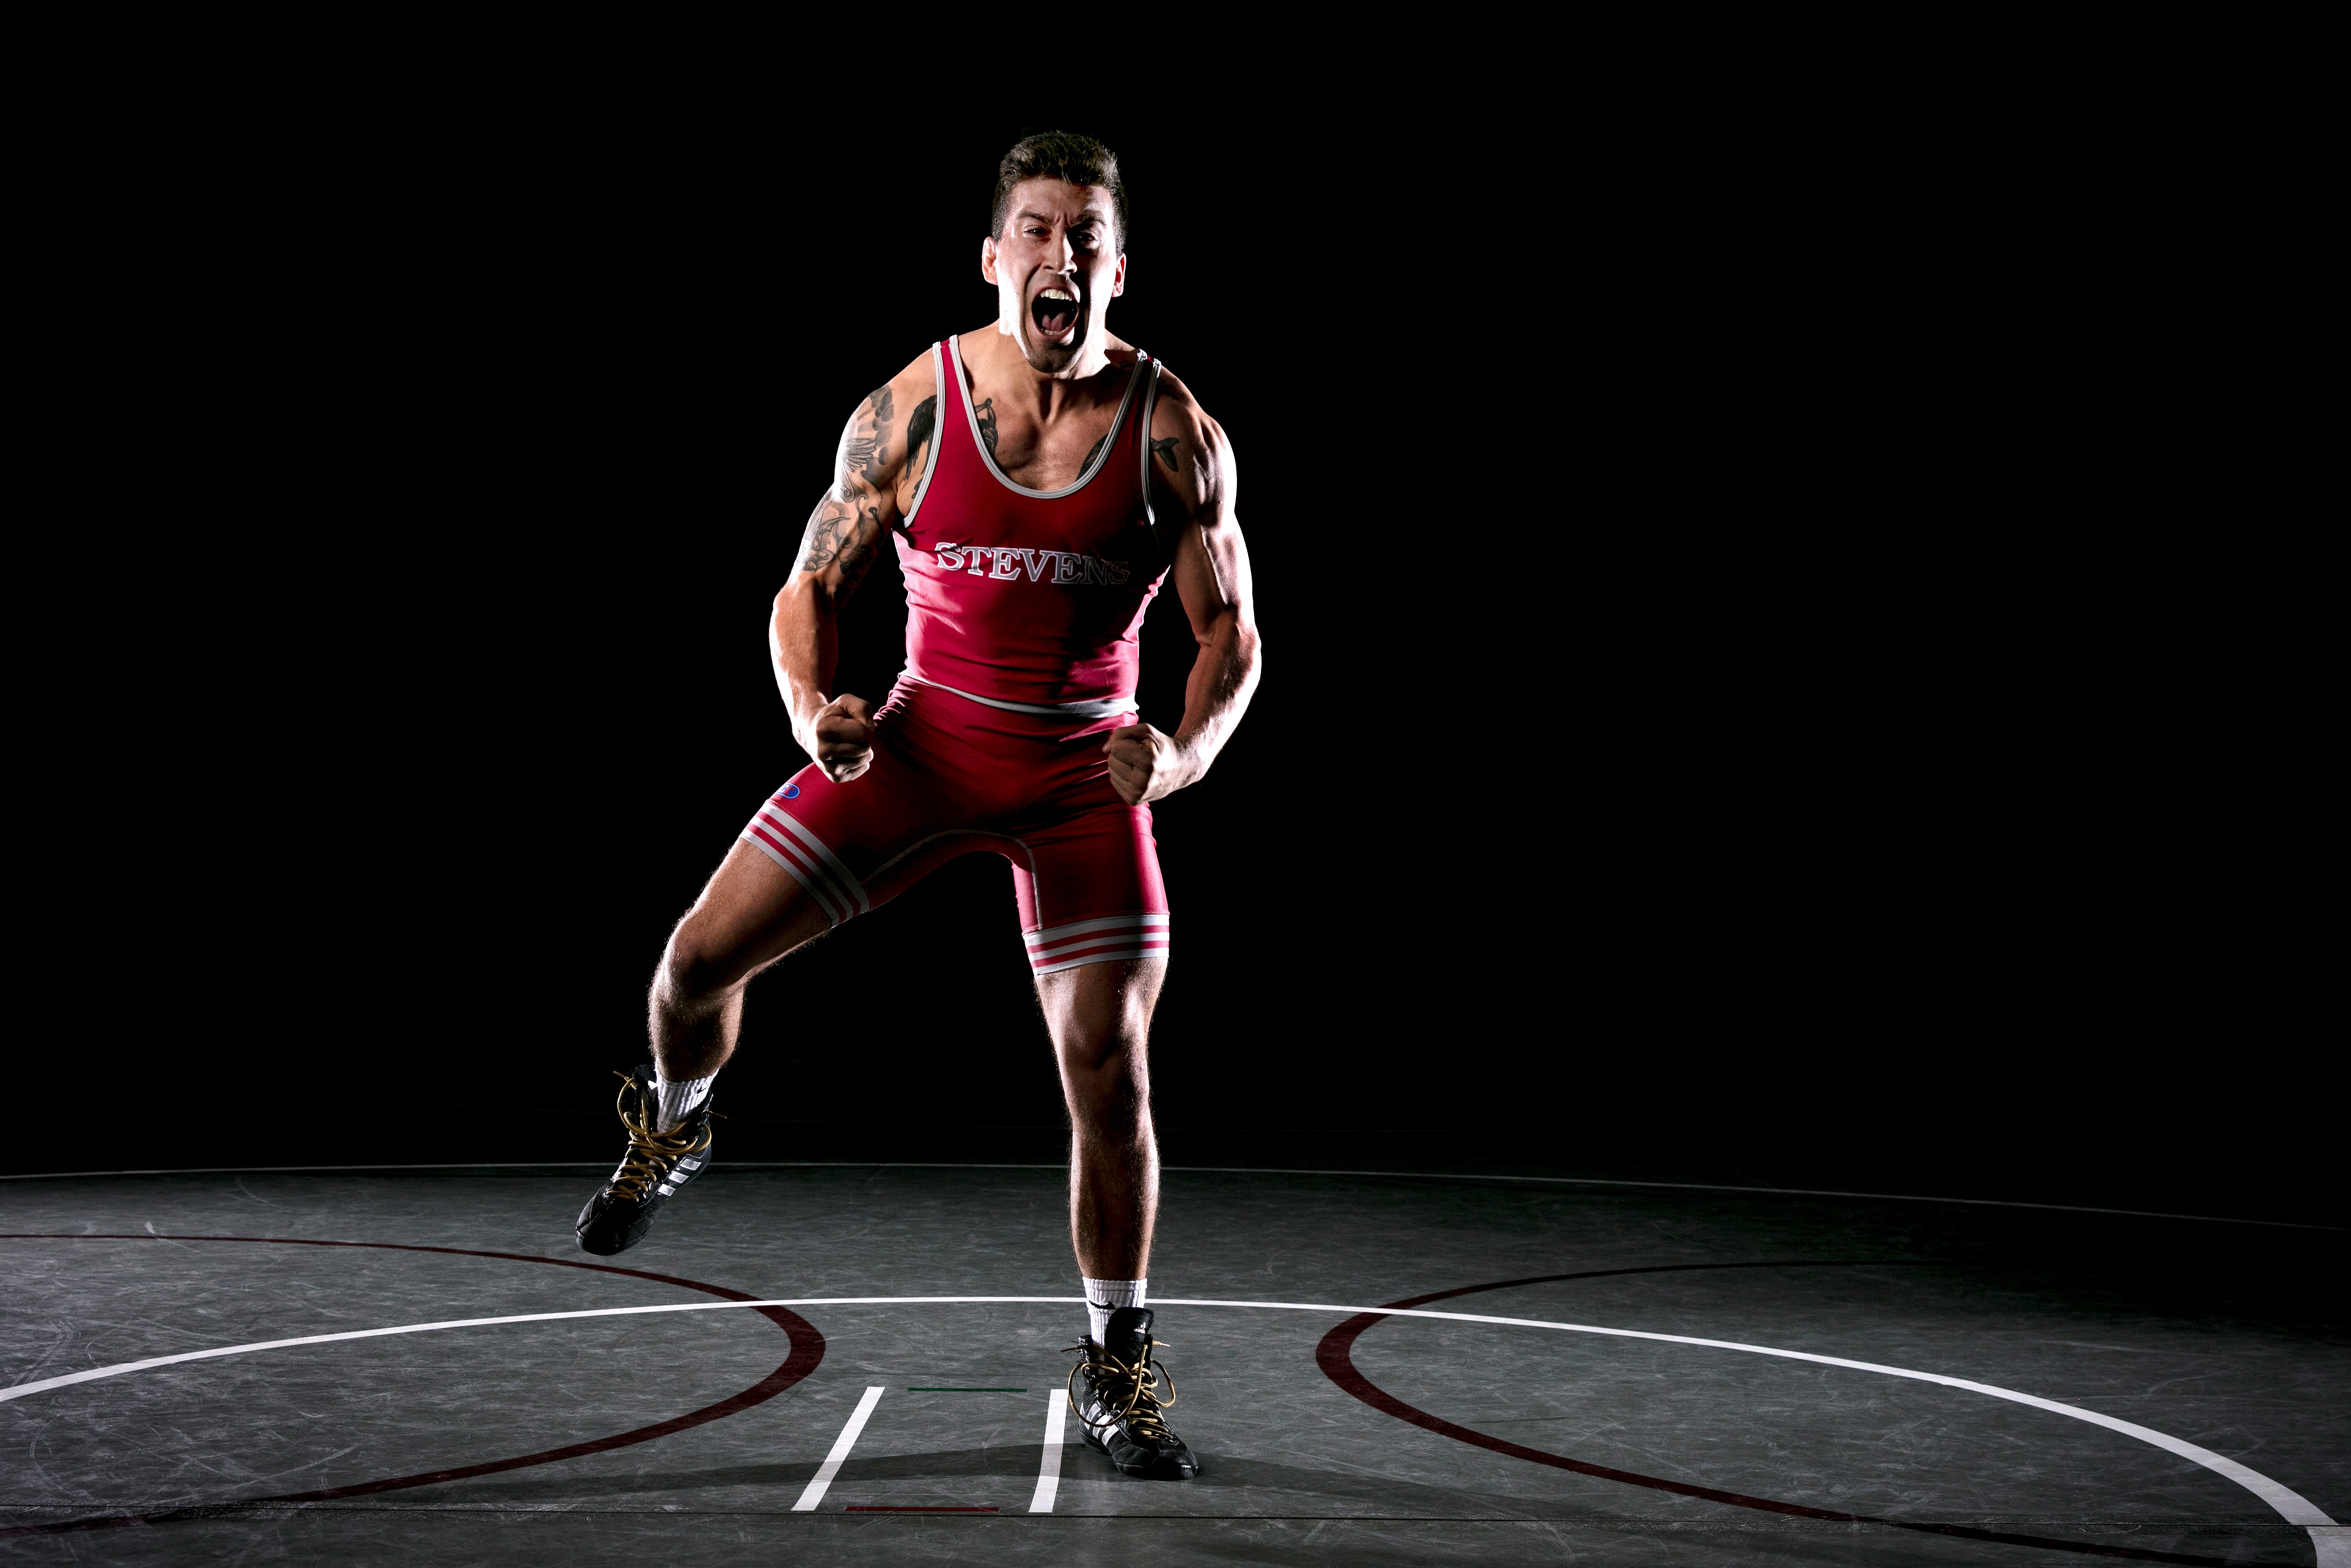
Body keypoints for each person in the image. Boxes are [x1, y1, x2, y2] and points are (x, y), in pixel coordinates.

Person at [572, 132, 1259, 1481]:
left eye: (1086, 237)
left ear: (1120, 269)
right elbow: (805, 588)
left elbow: (1232, 635)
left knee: (1111, 1068)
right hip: (923, 745)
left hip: (1081, 778)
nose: (1061, 256)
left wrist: (1182, 757)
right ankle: (680, 1116)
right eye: (1037, 231)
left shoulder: (1174, 431)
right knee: (692, 967)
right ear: (994, 258)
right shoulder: (913, 411)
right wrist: (808, 710)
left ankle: (1117, 1363)